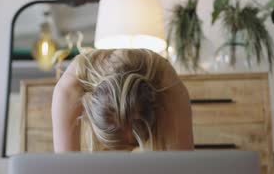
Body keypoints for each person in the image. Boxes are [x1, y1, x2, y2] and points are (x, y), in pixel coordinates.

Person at [51, 49, 194, 152]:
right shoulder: (69, 88)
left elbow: (183, 171)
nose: (128, 152)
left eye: (132, 144)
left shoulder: (167, 83)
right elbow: (67, 173)